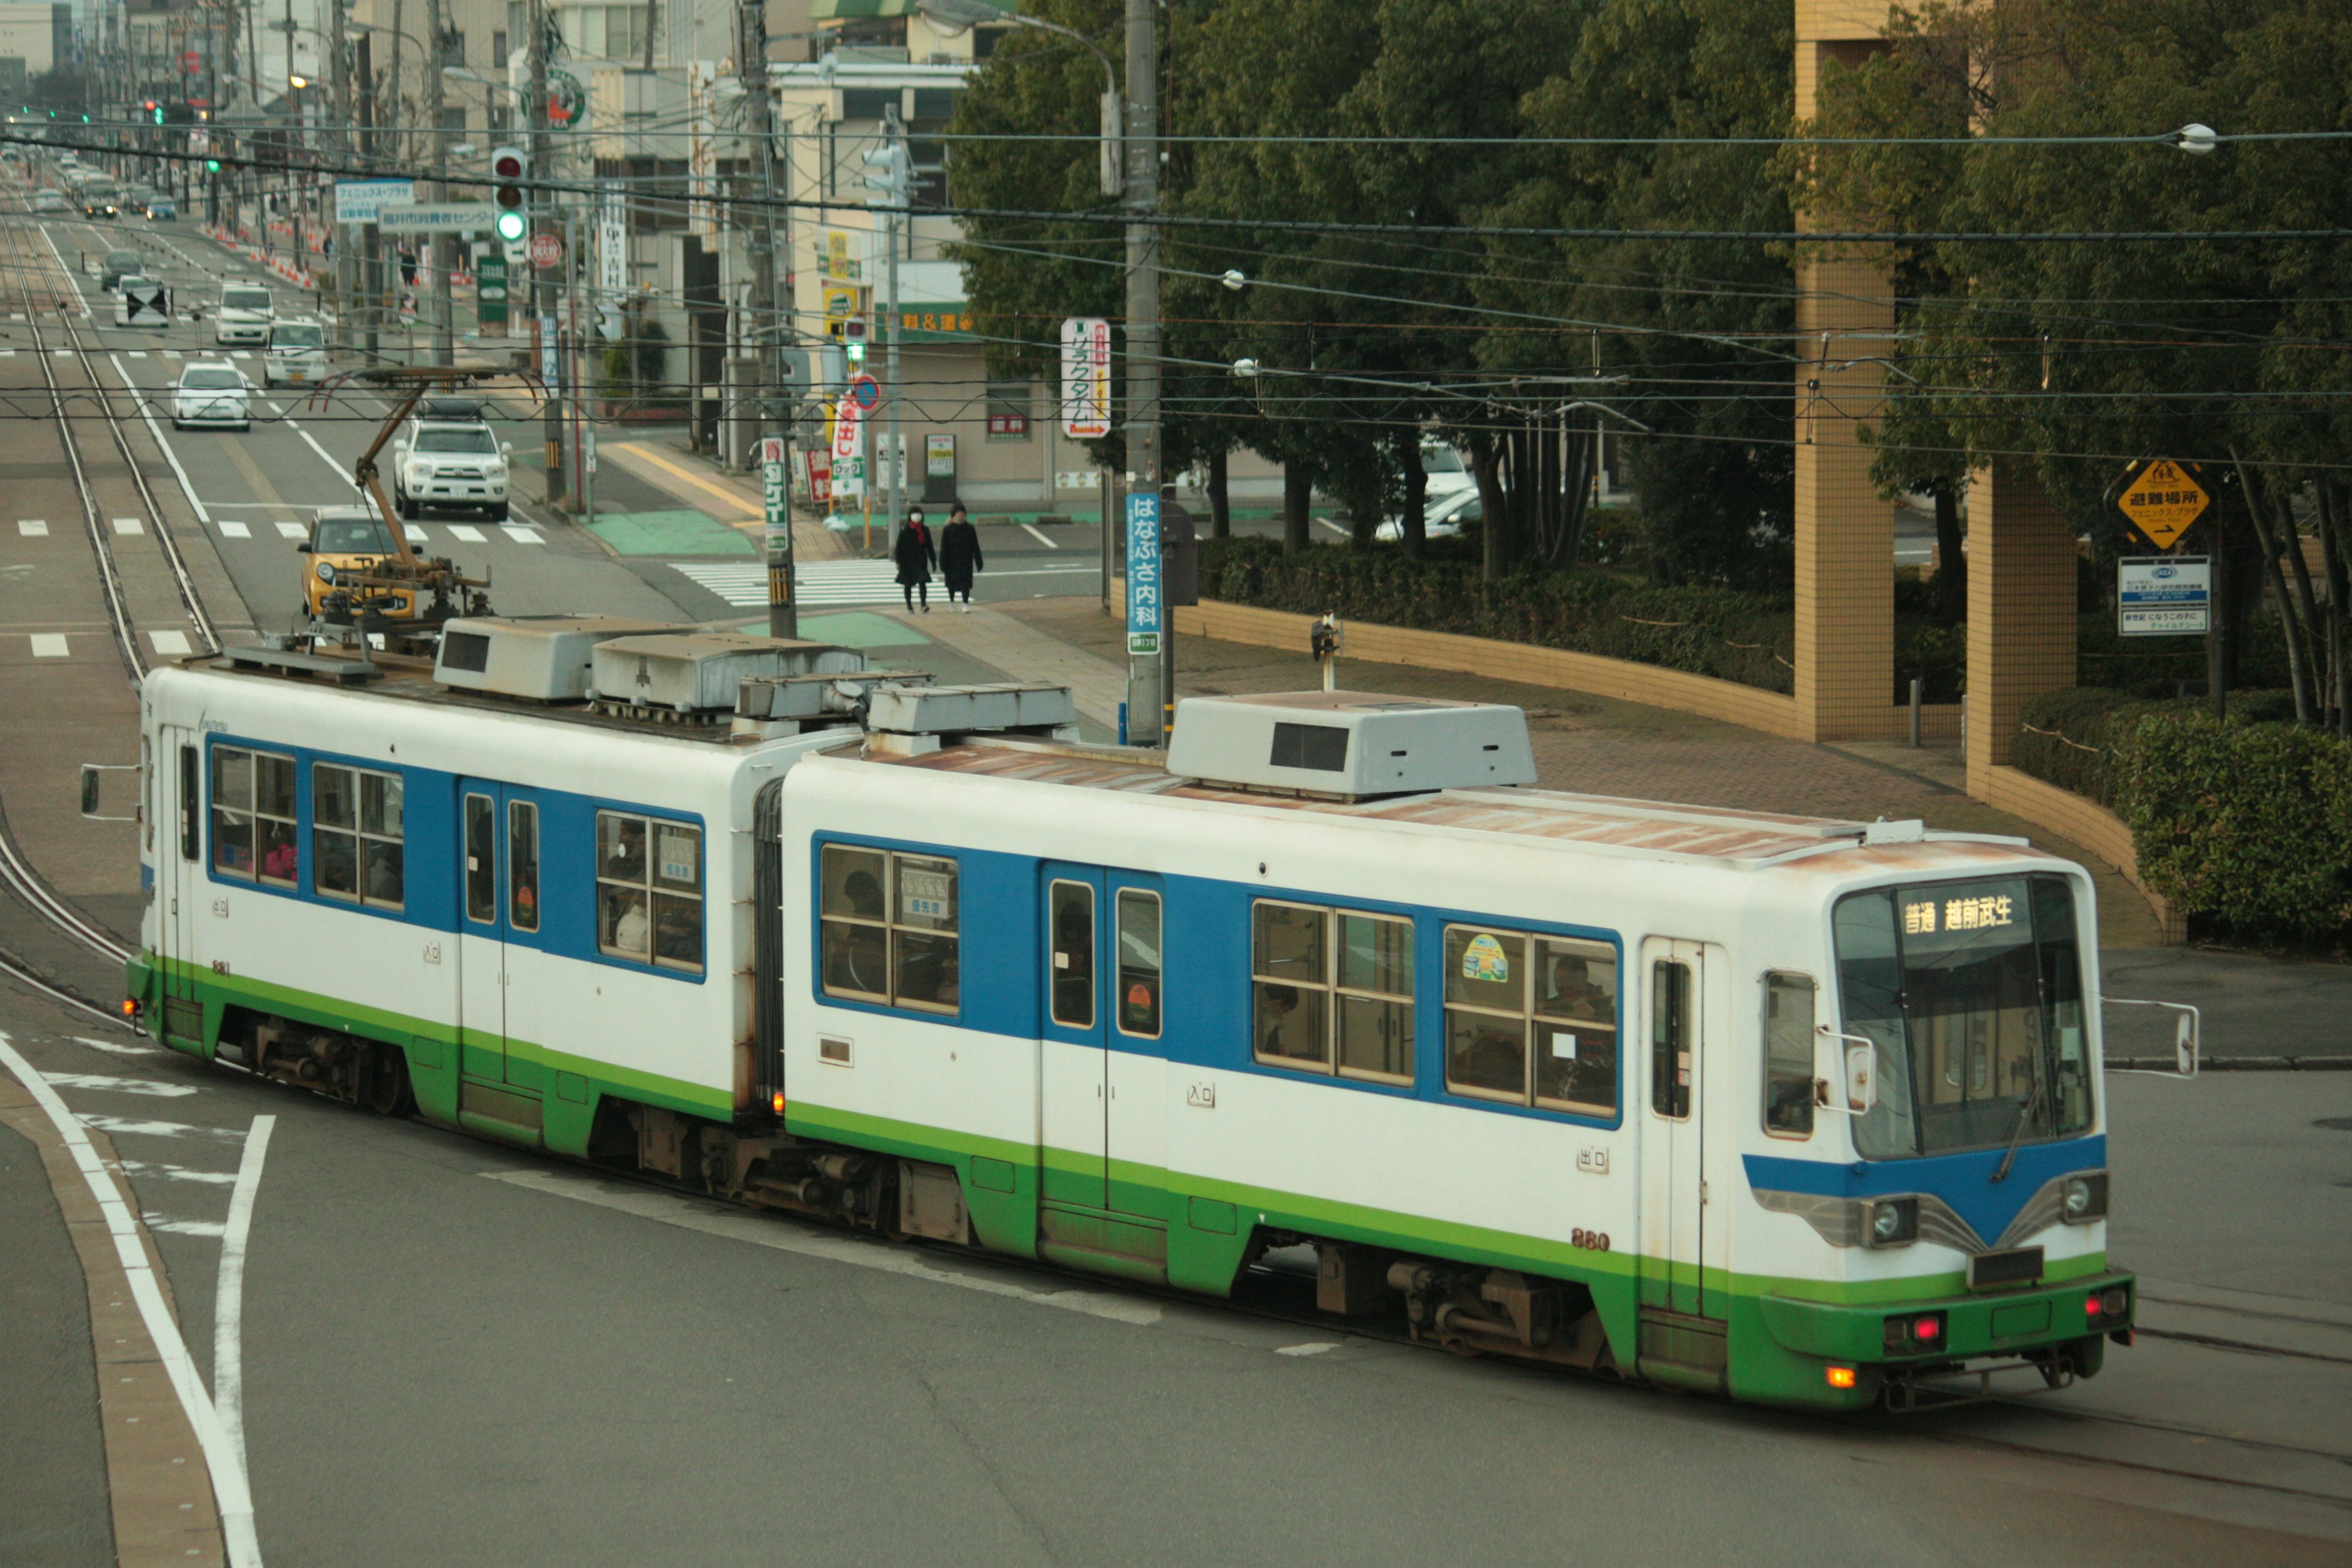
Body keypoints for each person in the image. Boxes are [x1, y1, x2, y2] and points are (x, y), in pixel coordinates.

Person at [938, 502, 984, 611]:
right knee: (951, 583)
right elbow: (944, 547)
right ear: (954, 514)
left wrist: (978, 561)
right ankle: (952, 602)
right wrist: (942, 562)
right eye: (958, 512)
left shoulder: (970, 528)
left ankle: (965, 603)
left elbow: (975, 546)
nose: (961, 514)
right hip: (951, 561)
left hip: (966, 560)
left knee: (966, 583)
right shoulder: (948, 529)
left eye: (962, 512)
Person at [893, 506, 937, 612]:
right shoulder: (905, 530)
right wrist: (898, 561)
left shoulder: (925, 530)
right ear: (910, 516)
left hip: (921, 559)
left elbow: (929, 546)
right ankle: (909, 605)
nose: (917, 516)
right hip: (907, 561)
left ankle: (923, 604)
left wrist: (933, 560)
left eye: (919, 514)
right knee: (908, 583)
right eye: (914, 514)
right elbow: (899, 547)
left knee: (922, 581)